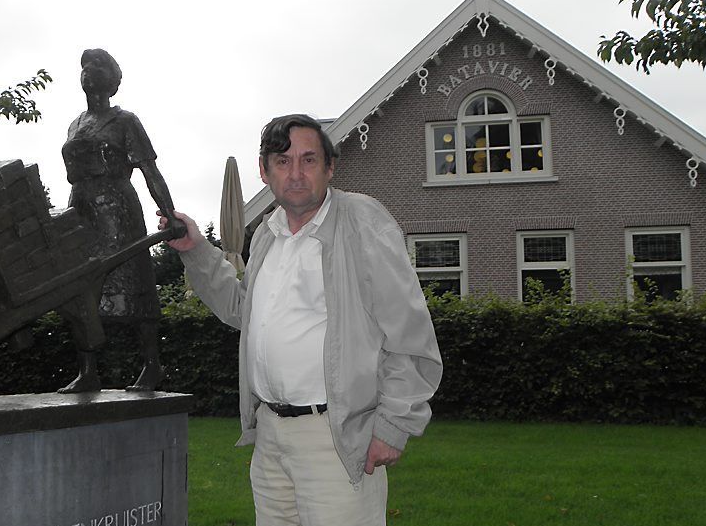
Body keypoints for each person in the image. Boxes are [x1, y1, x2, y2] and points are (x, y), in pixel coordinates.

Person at [159, 114, 442, 525]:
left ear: (330, 168)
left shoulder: (362, 222)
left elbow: (409, 331)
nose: (295, 173)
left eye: (308, 160)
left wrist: (394, 424)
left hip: (336, 438)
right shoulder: (268, 235)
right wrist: (198, 251)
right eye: (282, 161)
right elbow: (245, 312)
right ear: (264, 171)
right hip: (270, 437)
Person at [60, 48, 185, 393]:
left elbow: (150, 171)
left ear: (112, 78)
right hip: (80, 209)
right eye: (83, 67)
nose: (87, 71)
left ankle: (152, 365)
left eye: (96, 66)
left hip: (117, 210)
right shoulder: (75, 124)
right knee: (80, 288)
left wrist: (169, 213)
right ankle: (88, 371)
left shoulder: (125, 121)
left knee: (132, 287)